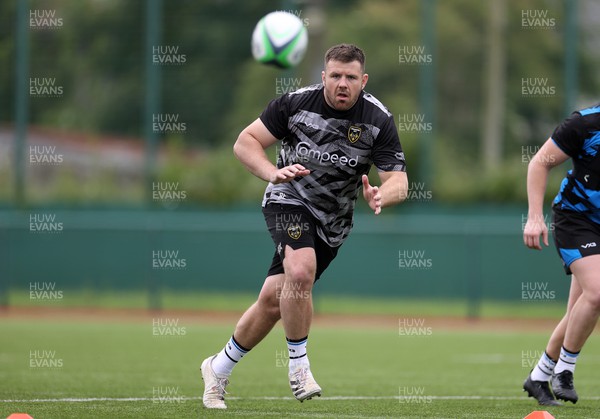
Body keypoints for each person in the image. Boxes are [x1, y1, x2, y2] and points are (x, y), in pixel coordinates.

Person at [200, 43, 408, 409]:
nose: (342, 84)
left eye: (351, 77)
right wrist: (273, 173)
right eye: (336, 76)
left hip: (333, 223)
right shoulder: (294, 104)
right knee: (301, 270)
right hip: (288, 200)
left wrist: (380, 195)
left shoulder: (377, 120)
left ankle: (217, 368)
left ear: (364, 80)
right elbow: (244, 142)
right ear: (324, 75)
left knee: (272, 301)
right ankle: (299, 368)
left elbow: (400, 182)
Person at [523, 103, 600, 406]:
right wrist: (534, 217)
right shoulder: (585, 124)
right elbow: (539, 163)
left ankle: (539, 376)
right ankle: (564, 370)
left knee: (579, 310)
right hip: (576, 220)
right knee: (596, 293)